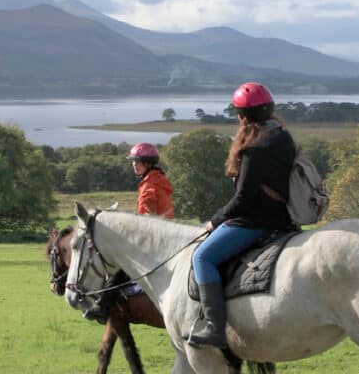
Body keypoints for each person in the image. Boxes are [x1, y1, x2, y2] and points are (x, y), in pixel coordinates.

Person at [186, 82, 295, 348]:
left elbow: (243, 200)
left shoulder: (254, 148)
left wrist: (215, 219)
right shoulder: (283, 137)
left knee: (202, 257)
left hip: (254, 223)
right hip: (283, 219)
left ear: (242, 116)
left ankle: (214, 328)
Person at [83, 142, 174, 324]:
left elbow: (149, 220)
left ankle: (102, 307)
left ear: (147, 163)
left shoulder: (149, 186)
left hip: (152, 240)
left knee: (120, 266)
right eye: (133, 161)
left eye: (137, 161)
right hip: (164, 236)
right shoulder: (159, 180)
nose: (134, 165)